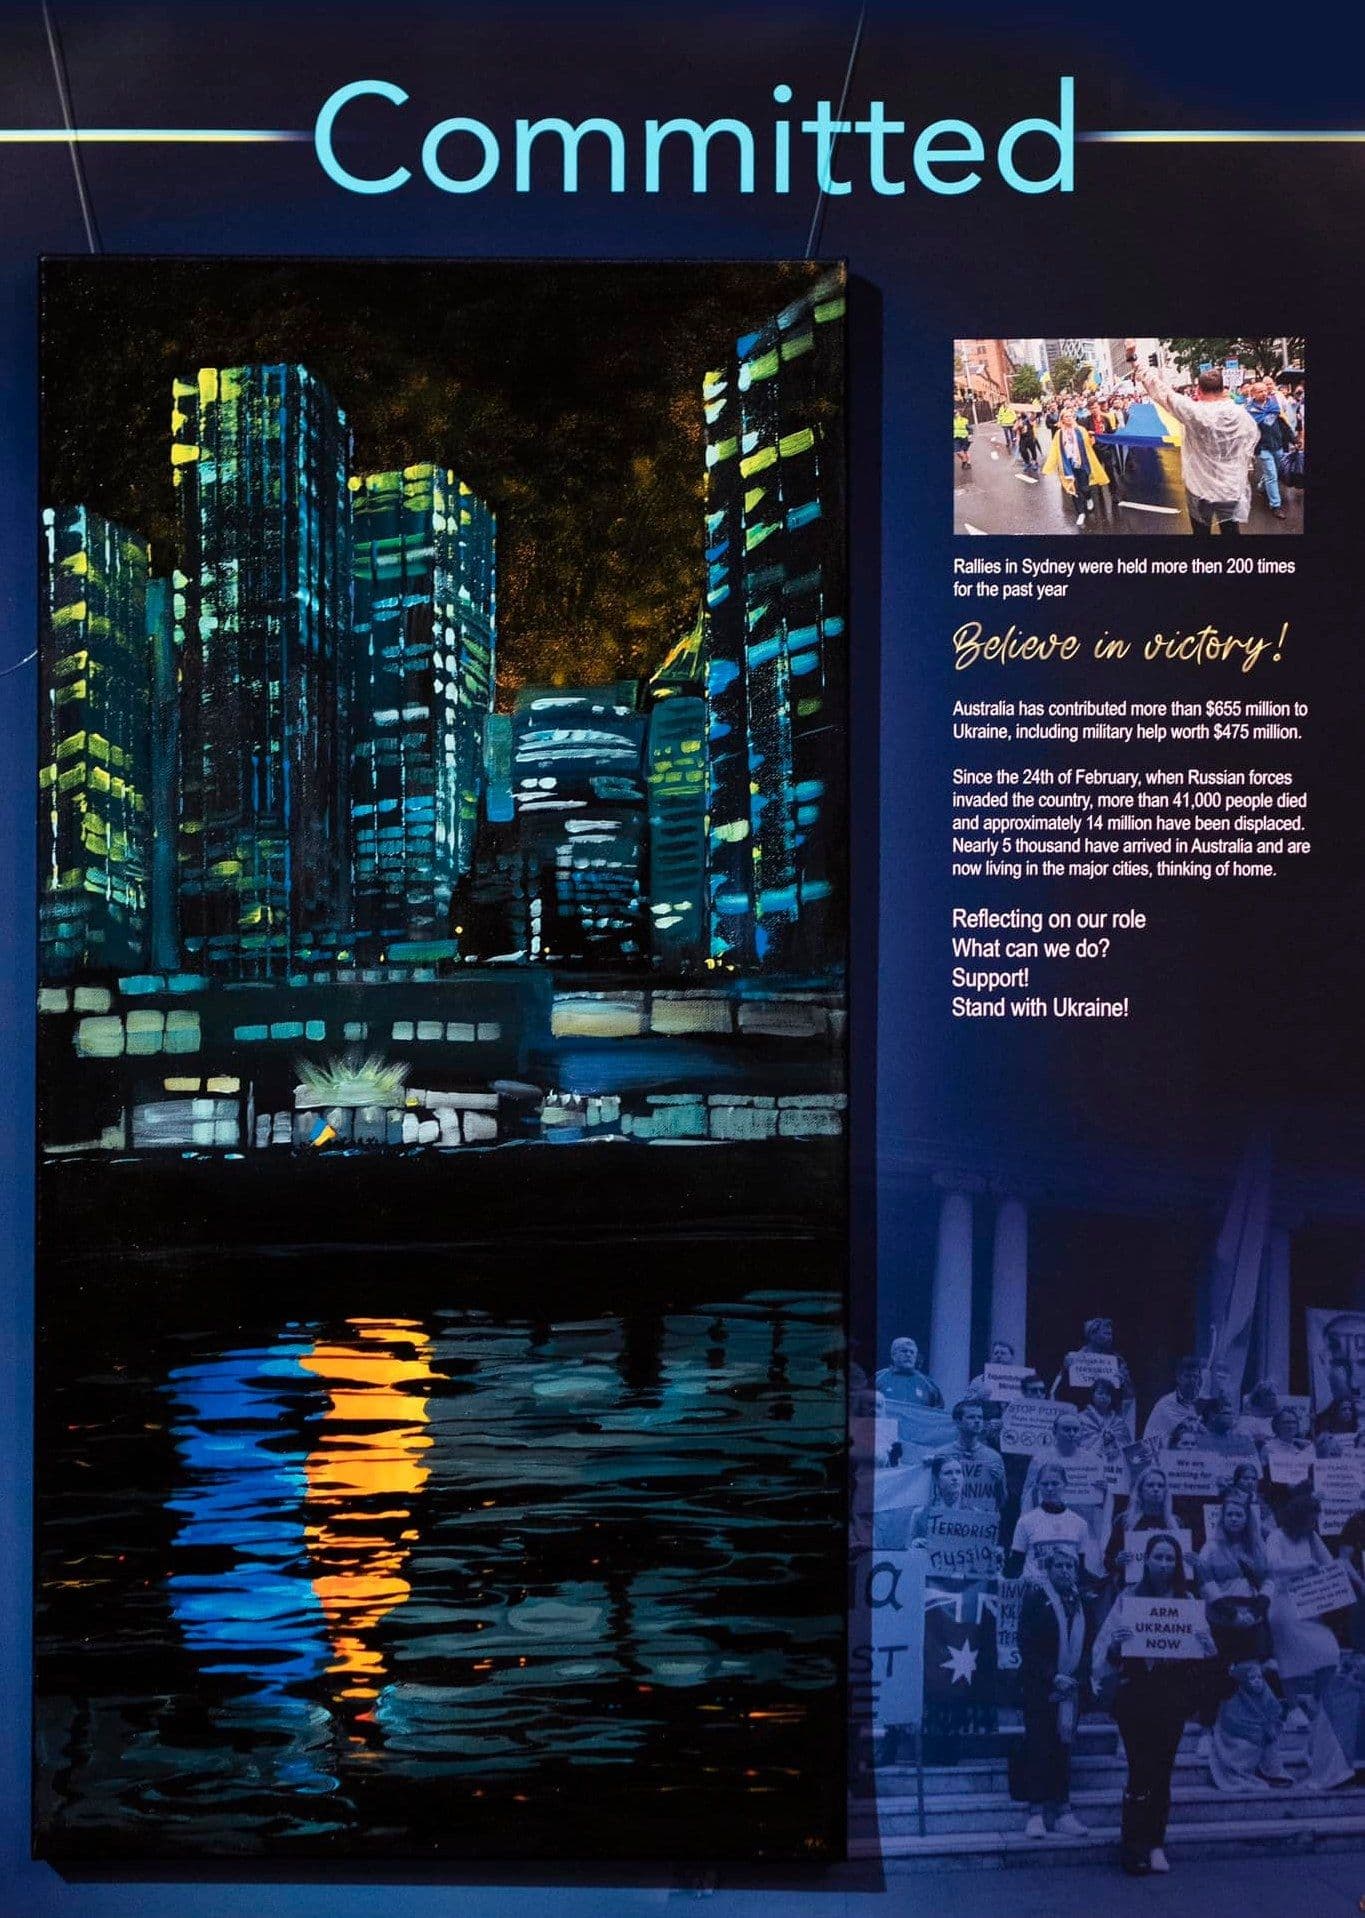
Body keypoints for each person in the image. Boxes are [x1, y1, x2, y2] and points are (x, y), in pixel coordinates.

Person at [1091, 1533, 1217, 1875]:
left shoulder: (1187, 1601)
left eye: (1170, 1558)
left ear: (1178, 1564)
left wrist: (1207, 1644)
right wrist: (1118, 1646)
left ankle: (1156, 1843)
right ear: (1146, 1561)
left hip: (1172, 1698)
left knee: (1162, 1772)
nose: (1164, 1563)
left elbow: (1205, 1656)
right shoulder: (1129, 1599)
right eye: (1158, 1557)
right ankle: (1132, 1845)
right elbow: (1108, 1655)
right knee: (1139, 1771)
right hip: (1135, 1697)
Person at [1012, 1542, 1090, 1838]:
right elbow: (1026, 1644)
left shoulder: (1082, 1601)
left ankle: (1063, 1811)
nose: (1065, 1571)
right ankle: (1035, 1812)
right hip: (1040, 1686)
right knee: (1039, 1746)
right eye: (1059, 1565)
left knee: (1064, 1748)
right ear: (1049, 1569)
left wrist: (1076, 1677)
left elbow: (1089, 1645)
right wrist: (1051, 1676)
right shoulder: (1035, 1598)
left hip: (1070, 1689)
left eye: (1070, 1566)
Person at [1137, 362, 1259, 536]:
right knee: (1231, 530)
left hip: (1199, 489)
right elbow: (1249, 442)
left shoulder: (1194, 412)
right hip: (1230, 486)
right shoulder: (1241, 415)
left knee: (1201, 531)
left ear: (1199, 391)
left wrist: (1135, 360)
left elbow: (1161, 391)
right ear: (1223, 389)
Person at [1209, 1657, 1294, 1791]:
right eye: (1252, 1678)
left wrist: (1269, 1727)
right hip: (1234, 1737)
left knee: (1271, 1742)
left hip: (1258, 1733)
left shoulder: (1265, 1693)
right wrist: (1258, 1731)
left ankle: (1272, 1773)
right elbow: (1232, 1723)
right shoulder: (1232, 1697)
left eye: (1259, 1678)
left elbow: (1274, 1713)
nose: (1257, 1682)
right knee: (1245, 1746)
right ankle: (1245, 1773)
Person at [1011, 1460, 1092, 1581]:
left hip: (1067, 1594)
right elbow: (1016, 1565)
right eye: (1045, 1484)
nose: (1050, 1488)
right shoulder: (1025, 1522)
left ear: (1065, 1484)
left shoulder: (1080, 1524)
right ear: (1038, 1486)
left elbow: (1081, 1569)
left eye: (1055, 1484)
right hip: (1035, 1593)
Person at [932, 1398, 1007, 1511]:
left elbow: (1002, 1502)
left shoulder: (993, 1457)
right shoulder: (942, 1455)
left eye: (980, 1417)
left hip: (979, 1523)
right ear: (957, 1422)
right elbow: (932, 1495)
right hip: (949, 1521)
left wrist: (999, 1481)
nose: (977, 1421)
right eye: (971, 1417)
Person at [1041, 405, 1110, 526]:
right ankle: (1081, 513)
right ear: (1062, 419)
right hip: (1068, 466)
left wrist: (1092, 441)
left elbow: (1088, 446)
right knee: (1073, 490)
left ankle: (1088, 498)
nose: (1069, 418)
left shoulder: (1081, 430)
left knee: (1085, 488)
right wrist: (1048, 467)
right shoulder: (1059, 434)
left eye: (1070, 416)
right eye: (1066, 417)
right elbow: (1054, 451)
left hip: (1081, 463)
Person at [1196, 1490, 1269, 1601]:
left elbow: (1267, 1582)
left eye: (1238, 1515)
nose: (1233, 1519)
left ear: (1247, 1519)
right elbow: (1204, 1585)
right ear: (1223, 1518)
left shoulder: (1259, 1547)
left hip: (1252, 1611)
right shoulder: (1210, 1548)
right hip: (1221, 1611)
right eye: (1229, 1514)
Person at [1246, 380, 1290, 520]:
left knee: (1275, 471)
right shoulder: (1248, 409)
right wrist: (1268, 416)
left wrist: (1294, 438)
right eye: (1260, 391)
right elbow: (1262, 421)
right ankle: (1275, 505)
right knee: (1272, 475)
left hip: (1277, 444)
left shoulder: (1273, 402)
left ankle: (1262, 485)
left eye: (1265, 390)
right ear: (1253, 394)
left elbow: (1277, 416)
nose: (1264, 393)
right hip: (1262, 447)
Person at [1144, 1355, 1205, 1449]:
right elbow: (1149, 1441)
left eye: (1195, 1377)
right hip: (1171, 1458)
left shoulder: (1204, 1405)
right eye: (1188, 1376)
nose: (1192, 1381)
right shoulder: (1164, 1405)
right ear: (1178, 1378)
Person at [875, 1336, 944, 1413]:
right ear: (893, 1355)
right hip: (887, 1425)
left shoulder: (929, 1384)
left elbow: (938, 1414)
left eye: (912, 1352)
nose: (908, 1355)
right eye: (904, 1351)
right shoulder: (878, 1378)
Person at [1016, 411, 1040, 477]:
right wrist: (1018, 422)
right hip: (1022, 438)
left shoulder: (1029, 419)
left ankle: (1034, 462)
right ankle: (1027, 462)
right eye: (1022, 412)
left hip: (1030, 437)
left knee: (1033, 450)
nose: (1023, 412)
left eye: (1024, 412)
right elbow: (1015, 429)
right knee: (1023, 450)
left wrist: (1030, 416)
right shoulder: (1018, 420)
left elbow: (1033, 423)